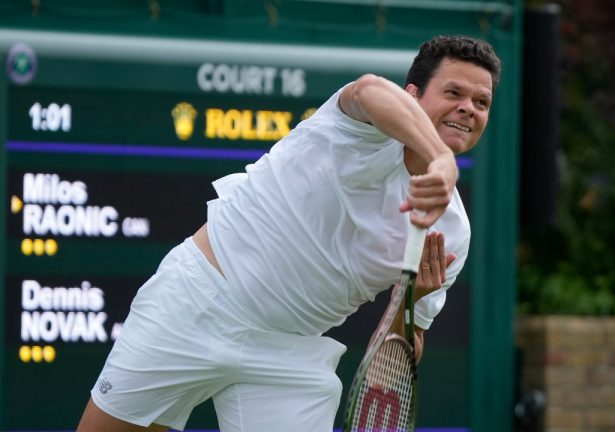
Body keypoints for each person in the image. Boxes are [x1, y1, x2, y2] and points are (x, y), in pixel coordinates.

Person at [76, 34, 501, 432]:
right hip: (197, 301)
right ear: (412, 95)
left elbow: (398, 352)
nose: (469, 108)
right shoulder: (357, 127)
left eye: (481, 102)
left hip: (292, 356)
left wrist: (411, 304)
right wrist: (439, 158)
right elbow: (370, 89)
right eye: (454, 93)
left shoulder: (452, 232)